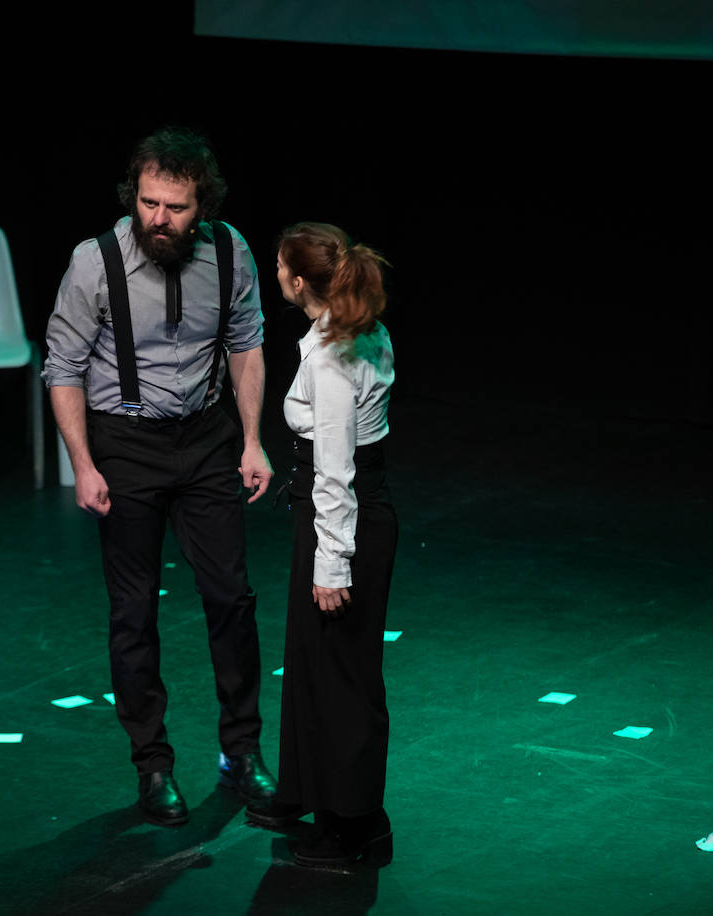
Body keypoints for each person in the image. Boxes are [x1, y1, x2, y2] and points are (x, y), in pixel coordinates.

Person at [42, 128, 278, 827]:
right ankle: (153, 764)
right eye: (148, 203)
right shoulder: (95, 262)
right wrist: (83, 465)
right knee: (134, 611)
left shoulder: (230, 252)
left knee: (231, 599)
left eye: (174, 207)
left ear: (200, 203)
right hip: (126, 441)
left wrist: (254, 441)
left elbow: (246, 347)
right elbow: (62, 368)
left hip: (206, 439)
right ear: (132, 196)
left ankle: (241, 752)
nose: (159, 220)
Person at [271, 222, 397, 867]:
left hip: (340, 522)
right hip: (338, 514)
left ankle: (354, 825)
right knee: (316, 663)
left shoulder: (332, 358)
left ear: (298, 281)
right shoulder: (355, 331)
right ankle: (307, 792)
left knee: (342, 673)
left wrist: (332, 564)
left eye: (279, 269)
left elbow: (335, 473)